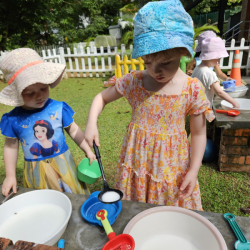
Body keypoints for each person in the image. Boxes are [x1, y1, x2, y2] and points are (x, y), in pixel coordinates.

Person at [84, 0, 215, 210]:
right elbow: (101, 98)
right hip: (137, 159)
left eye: (165, 63)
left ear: (182, 52)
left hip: (171, 166)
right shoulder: (135, 82)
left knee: (169, 214)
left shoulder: (192, 89)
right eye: (147, 62)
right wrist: (91, 123)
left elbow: (199, 134)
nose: (155, 71)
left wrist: (193, 170)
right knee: (136, 212)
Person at [0, 48, 96, 196]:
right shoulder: (13, 119)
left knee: (72, 197)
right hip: (35, 172)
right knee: (43, 201)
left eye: (43, 88)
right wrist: (10, 176)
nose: (39, 96)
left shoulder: (58, 108)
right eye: (30, 93)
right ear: (17, 93)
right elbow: (11, 147)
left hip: (64, 167)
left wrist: (88, 150)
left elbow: (73, 130)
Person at [191, 37, 240, 108]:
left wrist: (227, 78)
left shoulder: (196, 69)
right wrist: (234, 102)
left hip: (194, 105)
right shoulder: (210, 73)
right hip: (203, 108)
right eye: (218, 58)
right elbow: (219, 92)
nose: (219, 61)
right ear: (212, 56)